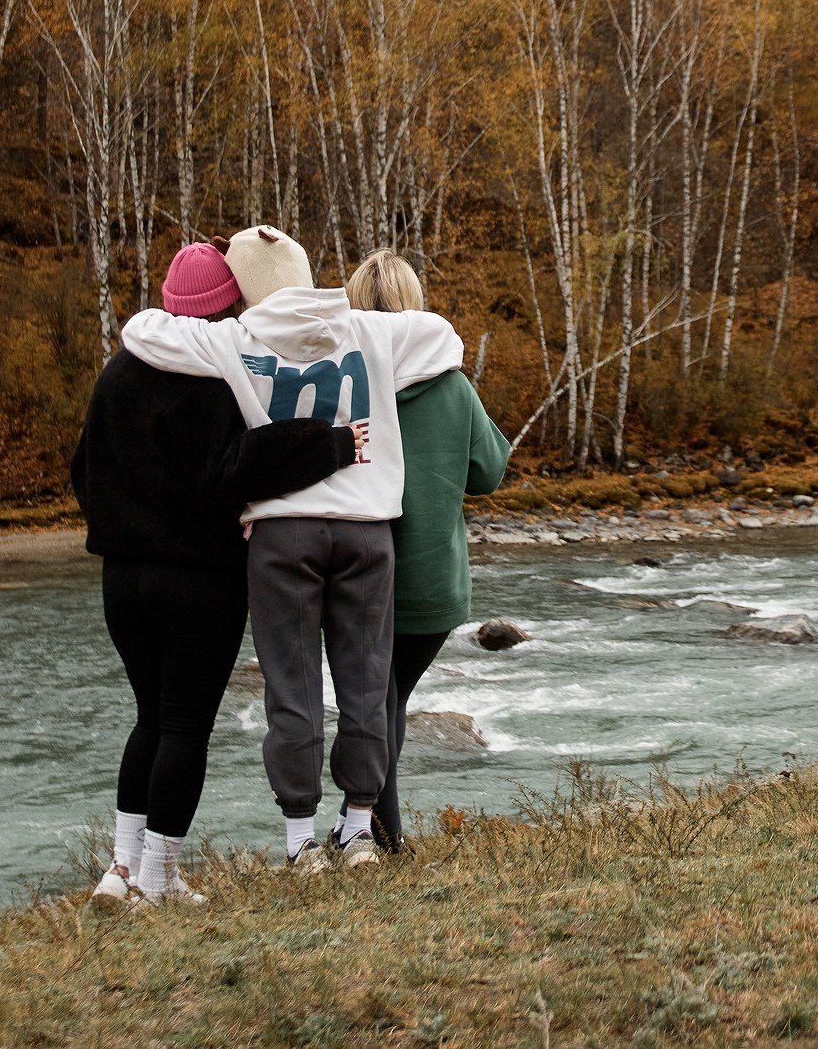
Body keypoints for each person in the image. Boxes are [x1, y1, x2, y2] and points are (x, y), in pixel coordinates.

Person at [118, 225, 463, 872]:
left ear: (246, 284)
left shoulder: (232, 339)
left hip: (283, 531)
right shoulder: (372, 331)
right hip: (366, 525)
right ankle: (357, 828)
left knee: (293, 683)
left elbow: (142, 330)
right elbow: (444, 339)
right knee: (365, 677)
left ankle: (300, 839)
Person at [71, 240, 368, 907]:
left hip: (121, 579)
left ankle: (119, 870)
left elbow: (80, 469)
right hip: (197, 580)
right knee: (184, 727)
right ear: (227, 305)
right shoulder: (213, 376)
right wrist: (336, 443)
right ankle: (159, 876)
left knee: (148, 718)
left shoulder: (116, 373)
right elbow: (239, 465)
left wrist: (122, 524)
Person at [345, 248, 510, 850]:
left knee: (377, 702)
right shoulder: (453, 385)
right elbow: (489, 472)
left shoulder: (342, 378)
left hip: (359, 571)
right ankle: (367, 829)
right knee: (388, 699)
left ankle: (375, 834)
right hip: (436, 581)